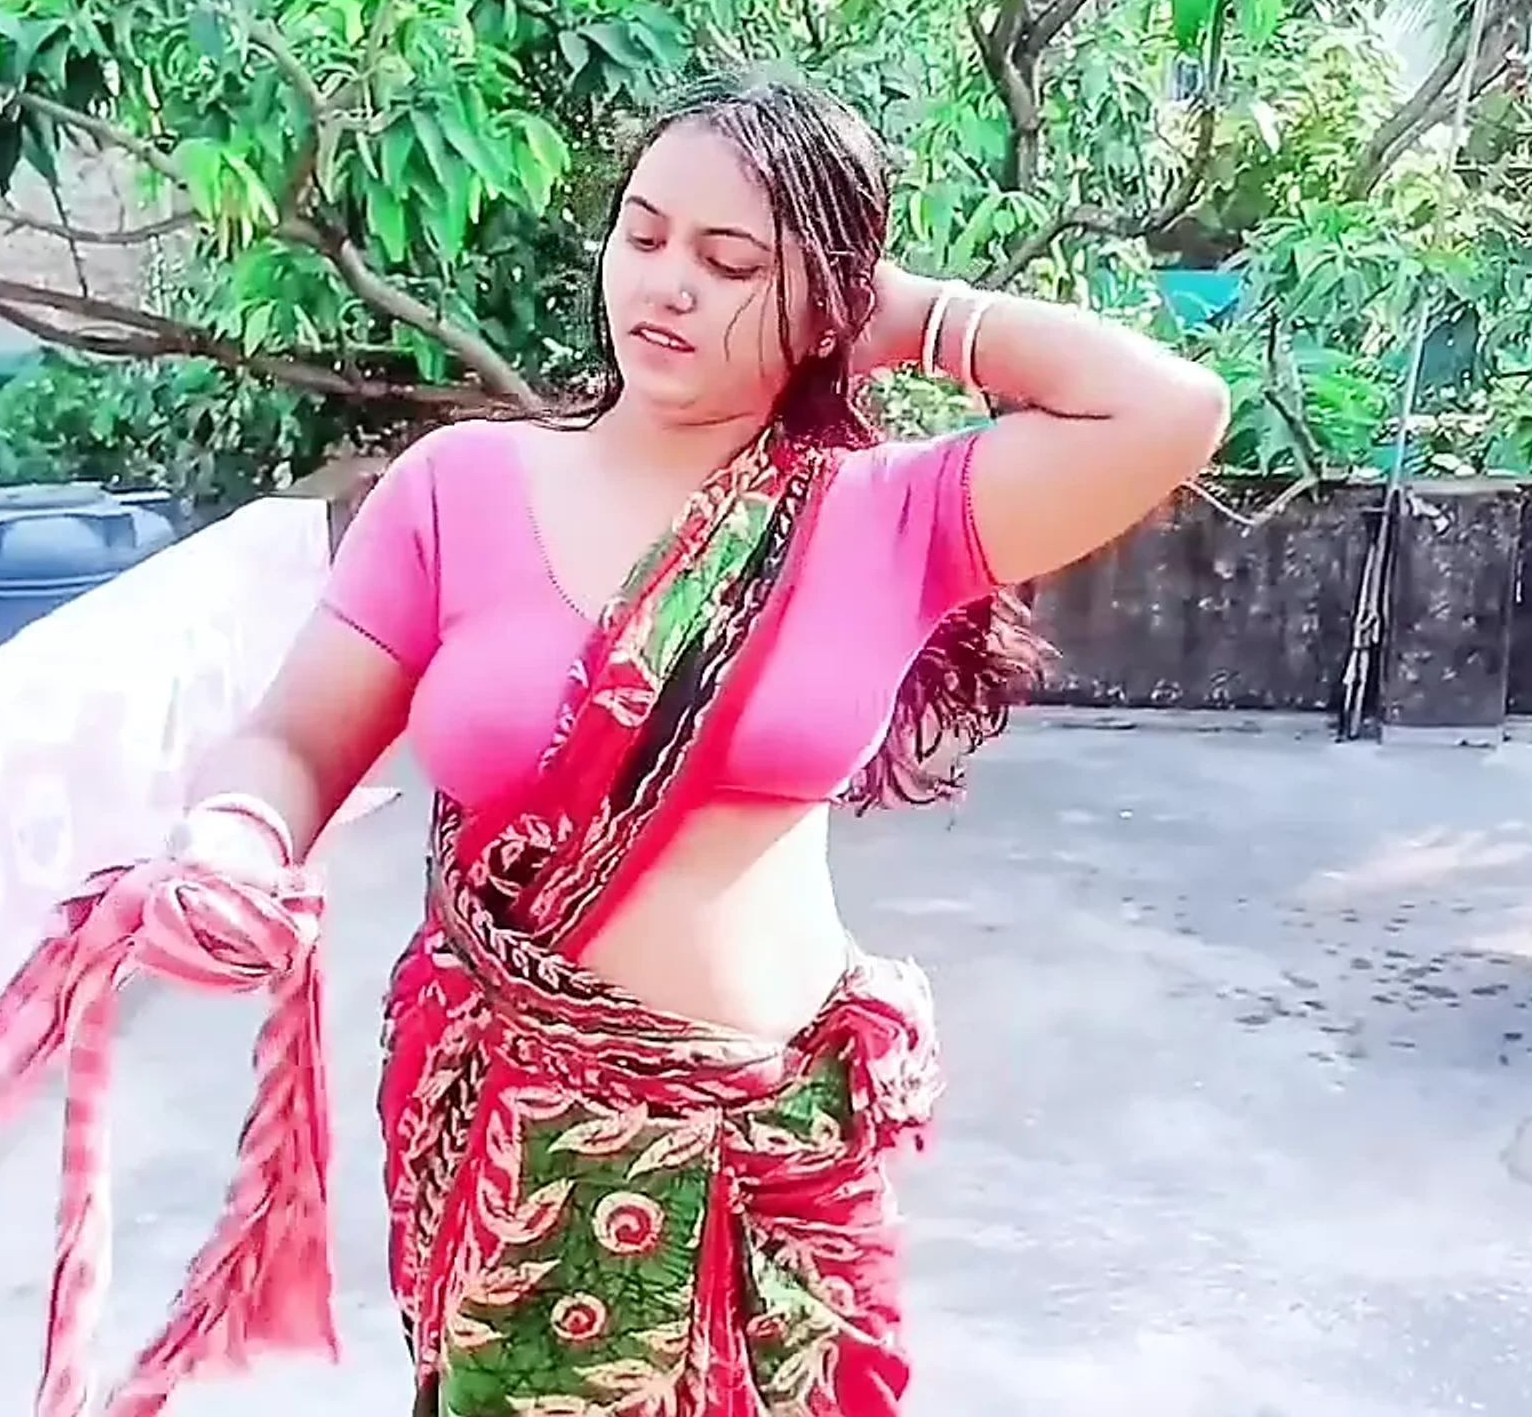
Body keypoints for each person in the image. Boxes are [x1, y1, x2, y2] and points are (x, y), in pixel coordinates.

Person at [173, 74, 1230, 1416]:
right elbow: (291, 742)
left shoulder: (887, 516)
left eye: (732, 262)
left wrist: (910, 317)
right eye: (644, 233)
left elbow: (1171, 412)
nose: (666, 284)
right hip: (526, 1159)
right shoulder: (459, 487)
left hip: (781, 1160)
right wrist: (235, 837)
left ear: (826, 297)